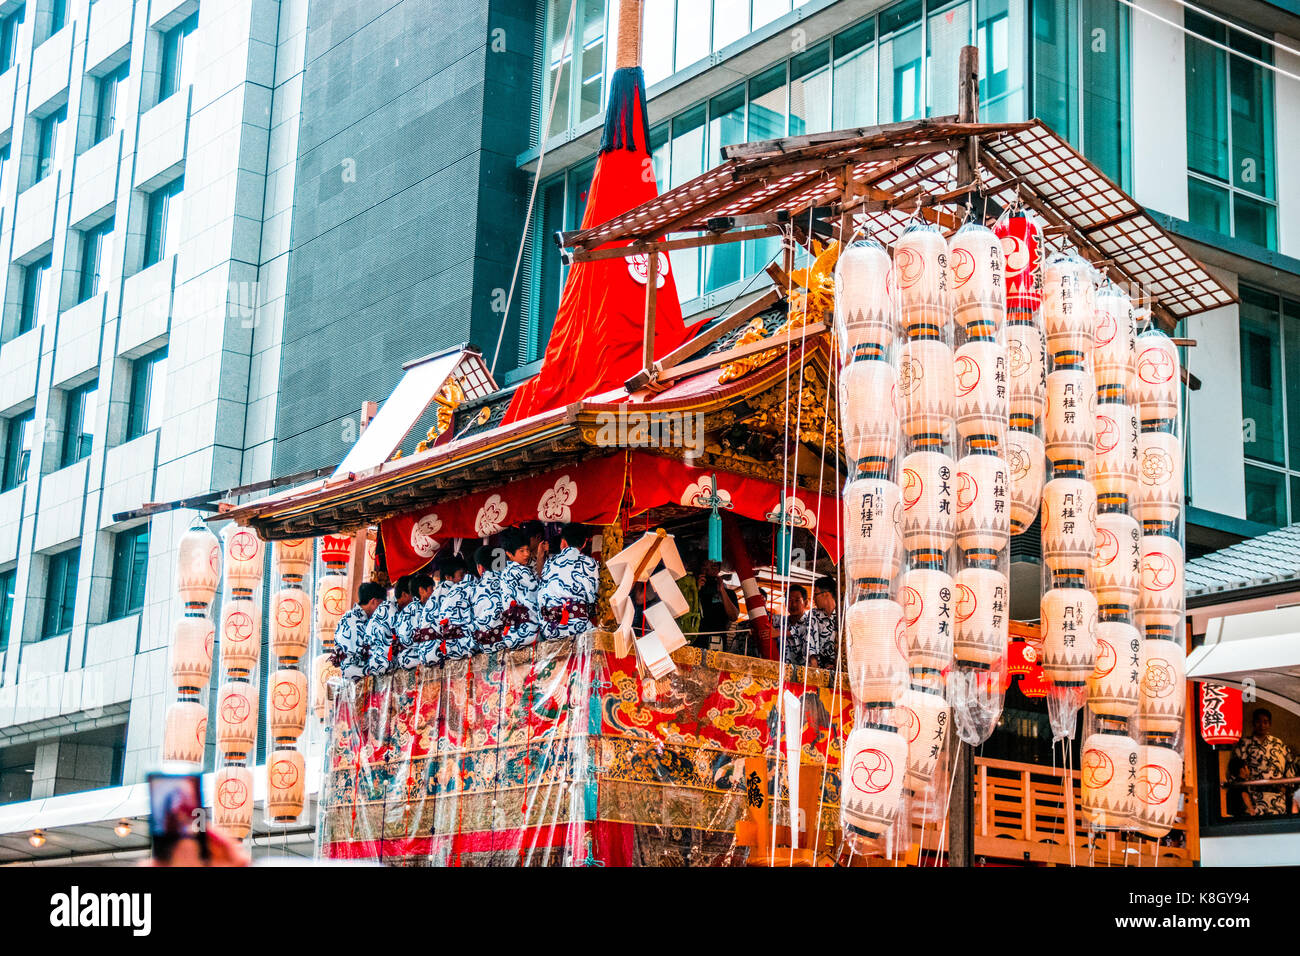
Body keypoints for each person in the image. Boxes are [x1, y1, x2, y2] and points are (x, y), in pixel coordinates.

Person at [1231, 707, 1299, 816]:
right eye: (1258, 721)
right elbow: (1235, 771)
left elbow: (1290, 769)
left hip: (1276, 799)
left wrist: (1285, 787)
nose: (1262, 725)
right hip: (1253, 798)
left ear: (1270, 724)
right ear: (1253, 723)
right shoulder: (1244, 744)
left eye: (1265, 722)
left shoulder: (1278, 744)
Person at [539, 523, 600, 641]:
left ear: (563, 542)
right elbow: (594, 597)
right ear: (584, 543)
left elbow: (541, 597)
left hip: (550, 629)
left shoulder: (549, 563)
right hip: (579, 628)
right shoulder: (590, 563)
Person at [498, 526, 543, 649]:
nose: (527, 554)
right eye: (521, 551)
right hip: (529, 631)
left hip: (512, 634)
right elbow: (537, 595)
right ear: (509, 554)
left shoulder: (504, 572)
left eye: (528, 549)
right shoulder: (520, 570)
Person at [364, 575, 417, 674]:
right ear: (404, 594)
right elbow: (404, 636)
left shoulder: (391, 607)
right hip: (381, 663)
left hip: (378, 662)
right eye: (414, 595)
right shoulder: (388, 609)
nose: (416, 599)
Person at [333, 582, 386, 679]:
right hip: (356, 676)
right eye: (382, 605)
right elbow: (364, 652)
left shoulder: (351, 618)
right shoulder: (353, 621)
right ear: (374, 601)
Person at [782, 584, 836, 669]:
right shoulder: (780, 622)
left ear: (805, 602)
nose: (793, 604)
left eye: (797, 600)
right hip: (787, 671)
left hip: (825, 668)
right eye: (789, 600)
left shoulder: (841, 615)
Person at [471, 544, 506, 645]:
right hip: (509, 639)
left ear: (480, 567)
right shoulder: (507, 578)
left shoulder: (474, 589)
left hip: (485, 644)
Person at [697, 559, 739, 638]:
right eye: (705, 567)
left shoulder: (729, 593)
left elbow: (733, 617)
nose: (709, 570)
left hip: (716, 640)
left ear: (719, 570)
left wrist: (722, 591)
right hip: (695, 637)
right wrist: (696, 590)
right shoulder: (695, 590)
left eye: (713, 566)